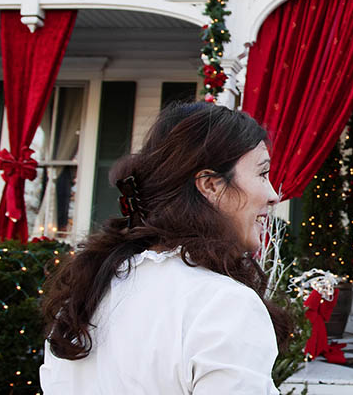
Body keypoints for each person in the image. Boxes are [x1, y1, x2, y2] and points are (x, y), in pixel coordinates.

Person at [39, 102, 291, 394]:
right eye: (262, 173)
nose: (273, 195)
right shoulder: (223, 304)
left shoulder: (87, 295)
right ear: (210, 185)